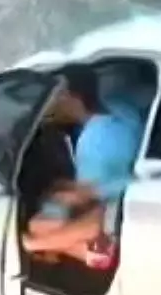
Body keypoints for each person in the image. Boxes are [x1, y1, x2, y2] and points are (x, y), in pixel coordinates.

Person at [23, 65, 143, 267]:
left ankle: (92, 253)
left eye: (56, 97)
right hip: (126, 183)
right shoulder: (119, 107)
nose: (51, 104)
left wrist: (71, 196)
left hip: (114, 213)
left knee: (38, 225)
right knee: (57, 195)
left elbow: (90, 201)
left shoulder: (92, 144)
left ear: (72, 97)